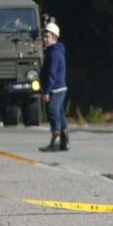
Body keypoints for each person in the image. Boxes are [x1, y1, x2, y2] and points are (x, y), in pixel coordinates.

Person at [40, 21, 69, 151]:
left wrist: (46, 91)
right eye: (44, 37)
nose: (44, 39)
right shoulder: (55, 51)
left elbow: (51, 74)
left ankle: (56, 141)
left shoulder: (54, 54)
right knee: (60, 113)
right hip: (60, 87)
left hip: (55, 89)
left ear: (54, 37)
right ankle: (64, 141)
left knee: (53, 112)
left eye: (47, 37)